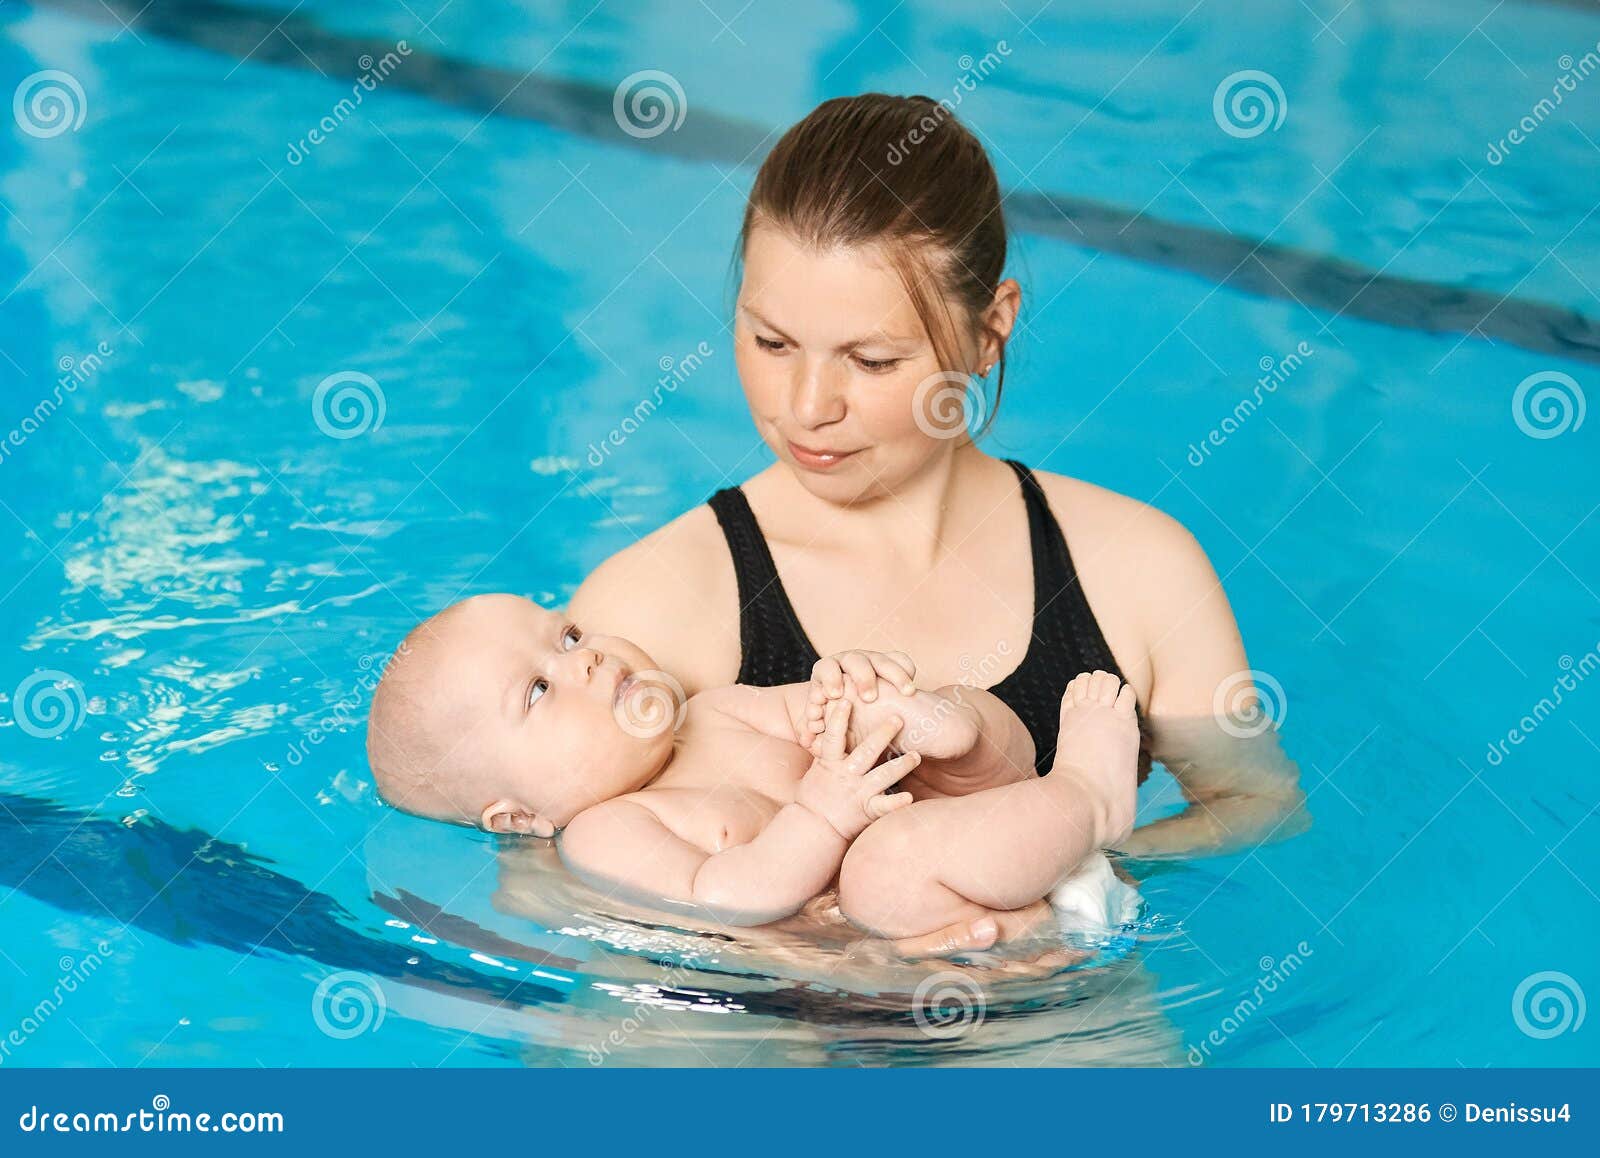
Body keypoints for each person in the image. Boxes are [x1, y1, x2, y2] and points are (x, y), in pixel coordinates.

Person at [569, 93, 1304, 955]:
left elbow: (1258, 812)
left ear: (990, 331)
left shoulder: (1138, 568)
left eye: (871, 360)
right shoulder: (655, 600)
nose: (806, 409)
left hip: (1053, 1024)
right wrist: (843, 944)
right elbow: (545, 881)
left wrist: (1067, 894)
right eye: (771, 343)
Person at [365, 593, 1140, 942]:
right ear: (519, 816)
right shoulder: (607, 832)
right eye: (539, 688)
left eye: (567, 637)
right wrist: (820, 813)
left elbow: (819, 713)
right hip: (930, 906)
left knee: (943, 716)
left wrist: (858, 690)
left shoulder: (715, 710)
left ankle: (1007, 769)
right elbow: (725, 898)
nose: (589, 660)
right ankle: (1090, 797)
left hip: (997, 842)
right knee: (881, 868)